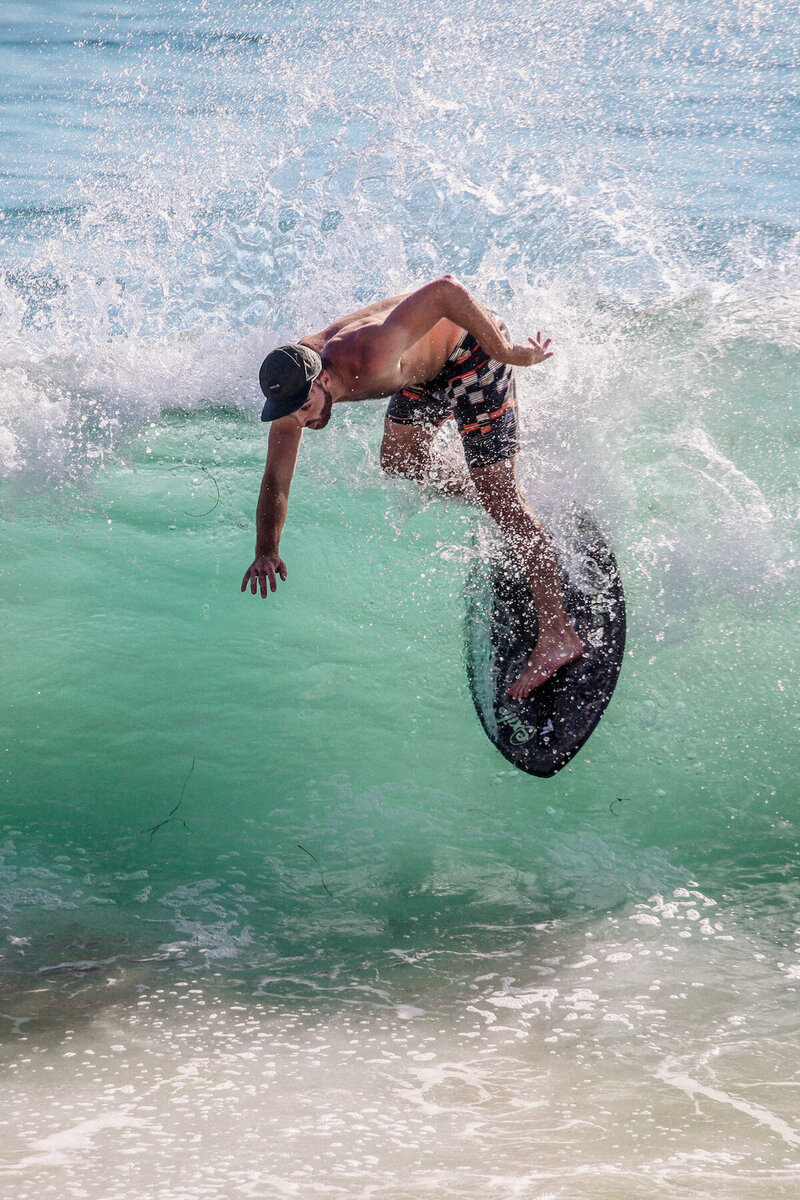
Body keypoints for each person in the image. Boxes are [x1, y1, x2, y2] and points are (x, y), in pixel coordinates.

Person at [241, 275, 583, 697]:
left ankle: (558, 636)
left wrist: (507, 352)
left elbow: (446, 291)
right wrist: (266, 550)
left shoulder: (368, 350)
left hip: (474, 352)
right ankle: (519, 511)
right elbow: (276, 477)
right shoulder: (293, 389)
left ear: (323, 381)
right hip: (423, 370)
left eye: (305, 411)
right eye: (292, 416)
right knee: (403, 462)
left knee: (500, 498)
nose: (303, 423)